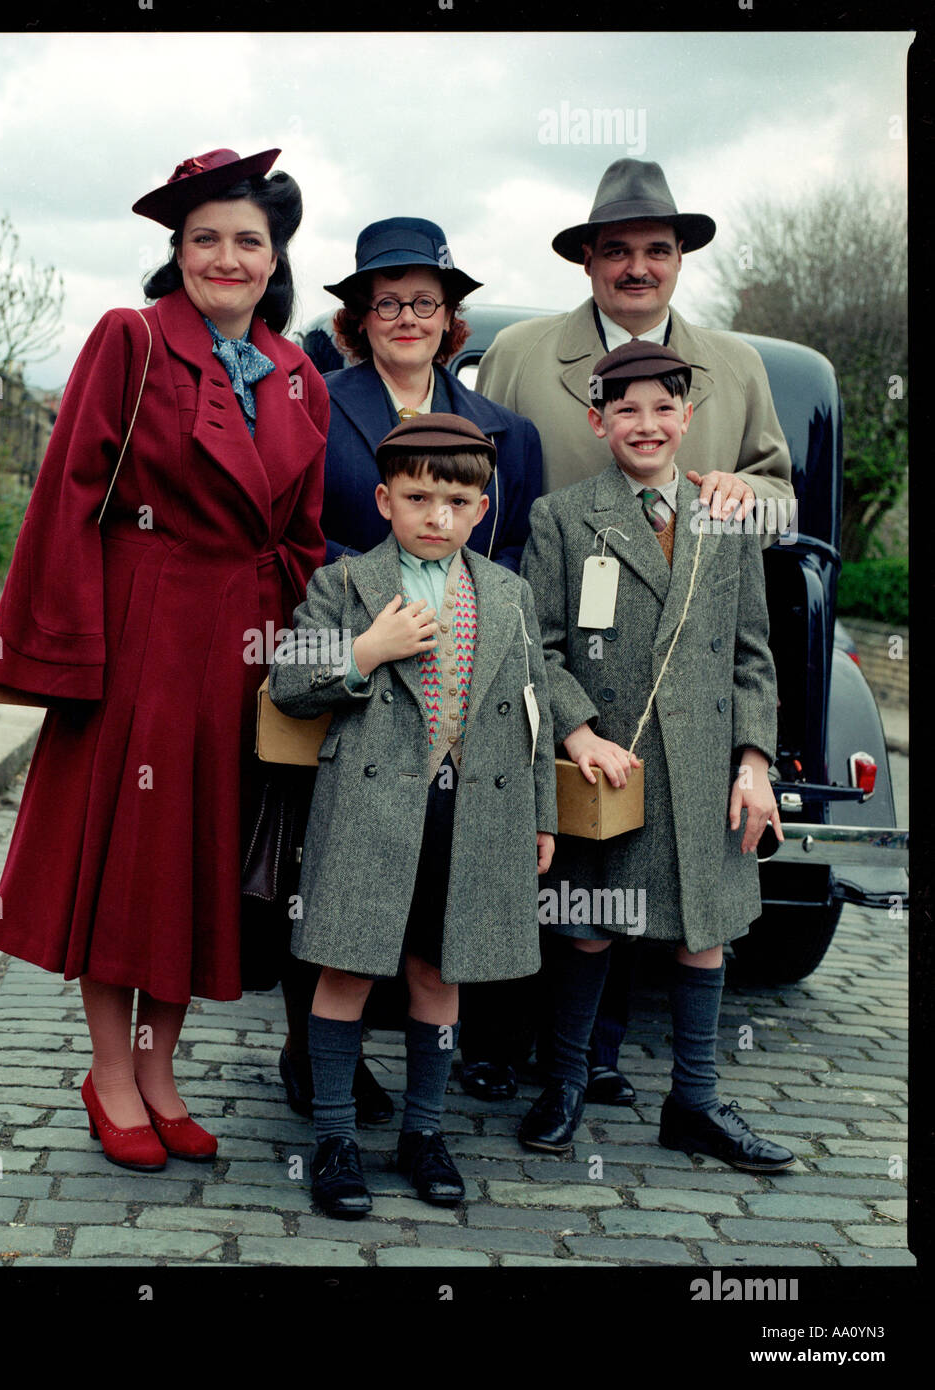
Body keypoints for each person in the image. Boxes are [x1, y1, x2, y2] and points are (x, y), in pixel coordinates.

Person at [0, 148, 329, 1172]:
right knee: (129, 864)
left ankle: (158, 1070)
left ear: (275, 260)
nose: (227, 257)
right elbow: (66, 497)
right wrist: (70, 652)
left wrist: (295, 663)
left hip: (241, 647)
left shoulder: (300, 372)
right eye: (205, 238)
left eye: (247, 241)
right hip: (138, 635)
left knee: (201, 867)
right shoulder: (129, 341)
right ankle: (110, 1071)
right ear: (176, 252)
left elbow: (303, 535)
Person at [471, 158, 797, 1106]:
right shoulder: (526, 354)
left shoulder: (736, 366)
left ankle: (596, 1064)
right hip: (547, 656)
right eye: (618, 250)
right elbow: (483, 492)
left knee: (630, 882)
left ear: (681, 259)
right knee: (537, 861)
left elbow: (777, 499)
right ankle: (501, 1042)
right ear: (588, 262)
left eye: (658, 249)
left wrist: (748, 492)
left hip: (681, 663)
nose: (639, 267)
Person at [276, 217, 544, 1124]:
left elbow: (510, 558)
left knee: (435, 933)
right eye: (384, 302)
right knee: (332, 888)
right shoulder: (317, 399)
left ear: (449, 317)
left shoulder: (504, 430)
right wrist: (377, 602)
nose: (405, 317)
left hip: (460, 667)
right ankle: (320, 1069)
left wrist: (455, 596)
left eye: (423, 302)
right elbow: (298, 525)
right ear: (357, 315)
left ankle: (423, 1113)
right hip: (358, 650)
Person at [269, 413, 557, 1218]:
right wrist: (366, 649)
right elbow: (290, 684)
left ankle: (424, 1134)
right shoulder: (346, 584)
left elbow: (530, 711)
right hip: (367, 807)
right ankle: (333, 1137)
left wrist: (542, 815)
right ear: (384, 499)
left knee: (438, 970)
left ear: (483, 507)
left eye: (459, 500)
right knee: (348, 966)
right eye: (420, 496)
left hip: (473, 813)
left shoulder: (508, 594)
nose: (439, 516)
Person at [517, 340, 794, 1173]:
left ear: (690, 419)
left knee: (702, 933)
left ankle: (696, 1102)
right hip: (615, 768)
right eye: (626, 409)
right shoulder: (562, 518)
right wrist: (576, 732)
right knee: (594, 927)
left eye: (663, 408)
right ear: (598, 421)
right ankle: (564, 1082)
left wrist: (754, 761)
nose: (647, 424)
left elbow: (752, 652)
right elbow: (541, 648)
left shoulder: (723, 517)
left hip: (707, 763)